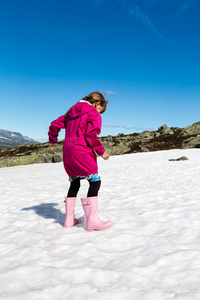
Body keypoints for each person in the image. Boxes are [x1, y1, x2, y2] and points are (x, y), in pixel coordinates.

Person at [48, 92, 113, 231]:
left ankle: (69, 220)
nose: (99, 113)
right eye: (100, 110)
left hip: (68, 153)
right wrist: (102, 152)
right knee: (95, 181)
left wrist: (53, 140)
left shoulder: (70, 113)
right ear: (98, 103)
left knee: (75, 182)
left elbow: (54, 125)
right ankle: (92, 221)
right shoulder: (92, 113)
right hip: (82, 151)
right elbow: (91, 135)